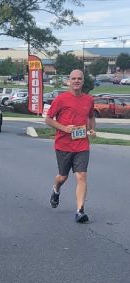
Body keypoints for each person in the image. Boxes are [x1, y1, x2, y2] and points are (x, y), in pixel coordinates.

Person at [45, 69, 95, 223]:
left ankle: (80, 210)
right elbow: (48, 119)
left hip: (82, 145)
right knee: (62, 177)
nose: (76, 81)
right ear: (69, 81)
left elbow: (91, 117)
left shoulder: (89, 100)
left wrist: (92, 129)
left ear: (83, 81)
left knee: (81, 176)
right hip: (63, 144)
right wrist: (64, 128)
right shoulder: (61, 99)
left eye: (79, 78)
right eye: (73, 78)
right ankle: (56, 189)